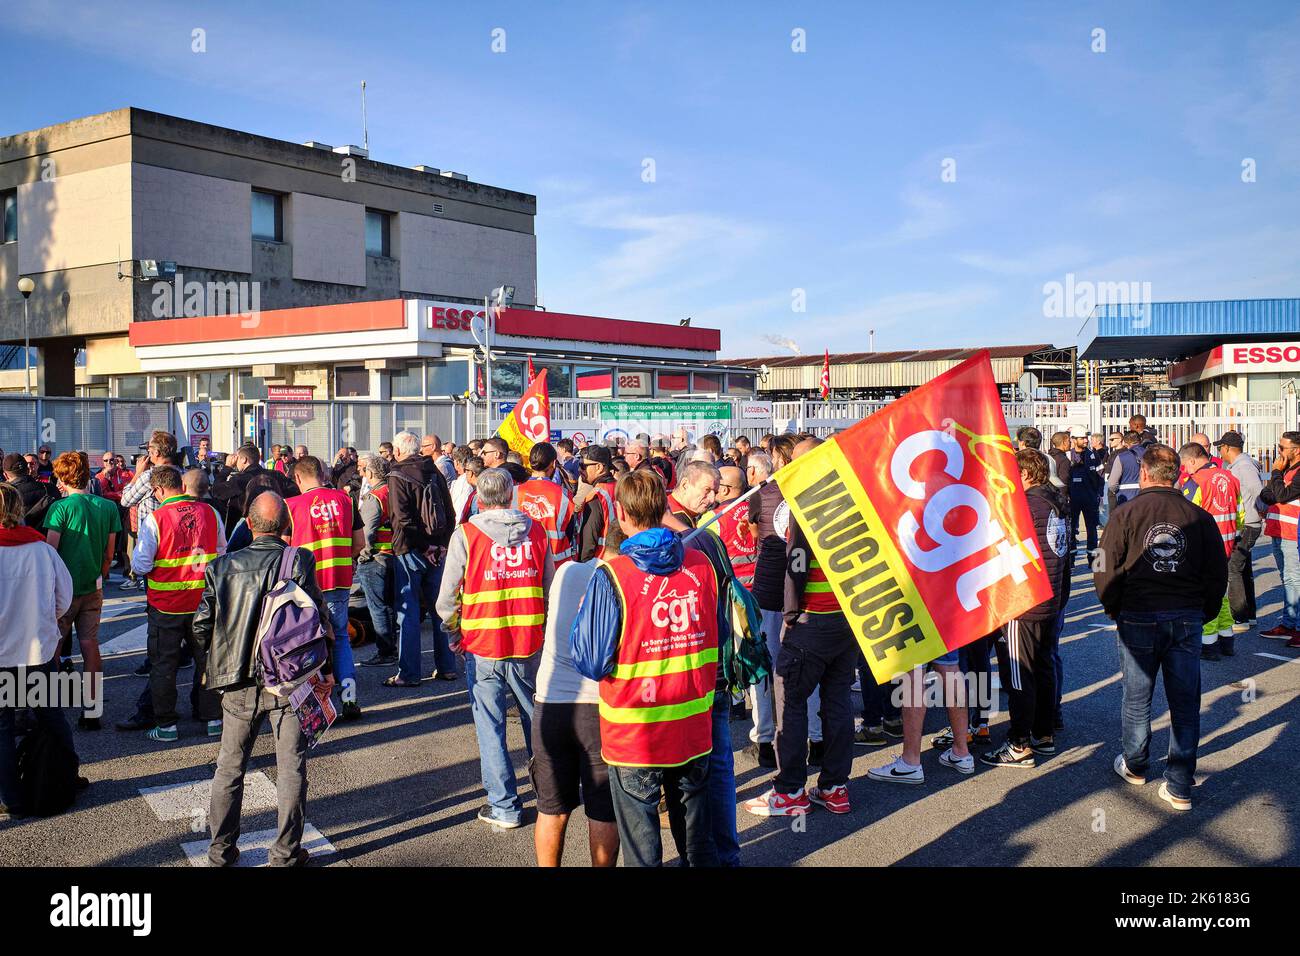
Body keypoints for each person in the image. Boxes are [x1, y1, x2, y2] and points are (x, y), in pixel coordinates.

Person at [571, 470, 721, 867]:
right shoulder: (702, 565)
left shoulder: (612, 575)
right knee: (697, 844)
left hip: (635, 731)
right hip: (692, 724)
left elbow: (590, 659)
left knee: (642, 851)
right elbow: (717, 634)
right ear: (664, 507)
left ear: (620, 513)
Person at [195, 492, 336, 866]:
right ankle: (286, 852)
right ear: (285, 525)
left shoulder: (221, 566)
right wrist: (328, 670)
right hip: (289, 678)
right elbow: (319, 619)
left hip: (238, 680)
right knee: (291, 766)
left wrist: (216, 660)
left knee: (230, 767)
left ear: (249, 522)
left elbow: (201, 627)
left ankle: (220, 851)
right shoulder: (298, 560)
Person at [1094, 444, 1228, 812]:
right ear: (1176, 476)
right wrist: (1206, 611)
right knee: (1185, 701)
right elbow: (1217, 573)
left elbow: (1103, 566)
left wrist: (1113, 606)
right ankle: (1180, 782)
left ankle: (1137, 765)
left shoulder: (1125, 514)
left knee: (1137, 698)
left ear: (1145, 474)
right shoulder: (1199, 518)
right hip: (1184, 616)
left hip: (1140, 614)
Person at [437, 467, 554, 829]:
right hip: (527, 641)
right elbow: (550, 586)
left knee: (491, 727)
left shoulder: (468, 534)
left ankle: (504, 806)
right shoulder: (536, 531)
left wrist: (454, 632)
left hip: (483, 642)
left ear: (480, 498)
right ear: (511, 494)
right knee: (536, 721)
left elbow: (447, 597)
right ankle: (551, 796)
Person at [980, 450, 1069, 768]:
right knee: (1043, 667)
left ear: (1027, 474)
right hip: (1049, 598)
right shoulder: (1056, 500)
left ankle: (1019, 743)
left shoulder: (1028, 506)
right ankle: (1043, 733)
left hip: (1025, 600)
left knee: (1019, 673)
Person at [531, 551, 618, 865]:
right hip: (598, 706)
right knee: (603, 810)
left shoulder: (566, 572)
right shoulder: (626, 579)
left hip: (550, 703)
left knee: (551, 808)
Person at [130, 465, 226, 743]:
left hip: (166, 606)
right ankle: (213, 720)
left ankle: (167, 726)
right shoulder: (211, 512)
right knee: (207, 662)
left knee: (164, 665)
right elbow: (222, 552)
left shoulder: (156, 519)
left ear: (159, 490)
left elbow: (141, 563)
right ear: (181, 486)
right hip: (204, 602)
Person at [0, 481, 78, 821]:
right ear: (19, 509)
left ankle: (12, 799)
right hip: (38, 652)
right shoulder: (42, 549)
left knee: (1, 728)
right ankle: (64, 776)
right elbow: (64, 598)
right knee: (51, 714)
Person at [744, 439, 823, 768]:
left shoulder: (765, 491)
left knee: (765, 667)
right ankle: (816, 739)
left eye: (775, 455)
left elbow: (753, 529)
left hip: (771, 589)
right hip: (805, 591)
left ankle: (765, 741)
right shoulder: (818, 490)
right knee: (809, 671)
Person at [44, 452, 121, 730]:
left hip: (62, 590)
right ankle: (92, 709)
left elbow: (50, 552)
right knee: (90, 645)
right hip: (93, 586)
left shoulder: (60, 509)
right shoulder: (107, 508)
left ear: (64, 478)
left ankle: (49, 711)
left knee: (53, 646)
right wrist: (100, 574)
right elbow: (110, 552)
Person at [285, 455, 363, 719]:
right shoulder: (346, 501)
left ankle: (317, 704)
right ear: (322, 473)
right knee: (340, 636)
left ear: (297, 478)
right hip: (339, 580)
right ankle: (350, 697)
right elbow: (360, 543)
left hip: (307, 585)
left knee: (310, 641)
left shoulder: (292, 506)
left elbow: (283, 549)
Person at [386, 431, 458, 688]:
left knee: (409, 613)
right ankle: (448, 666)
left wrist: (425, 546)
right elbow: (449, 511)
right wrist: (440, 545)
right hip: (437, 550)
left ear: (397, 450)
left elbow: (401, 519)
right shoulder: (433, 470)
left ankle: (409, 673)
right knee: (440, 610)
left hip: (410, 551)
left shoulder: (397, 475)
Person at [1178, 442, 1243, 659]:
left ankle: (1209, 645)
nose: (1185, 470)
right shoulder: (1230, 478)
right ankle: (1227, 640)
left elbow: (1186, 519)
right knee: (1221, 595)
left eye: (1185, 465)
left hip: (1203, 548)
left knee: (1205, 597)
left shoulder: (1196, 482)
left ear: (1194, 460)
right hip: (1226, 544)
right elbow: (1240, 516)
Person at [1214, 431, 1263, 634]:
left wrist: (1257, 510)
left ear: (1227, 448)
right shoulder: (1239, 465)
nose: (1219, 452)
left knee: (1233, 568)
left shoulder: (1243, 466)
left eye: (1221, 448)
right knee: (1243, 569)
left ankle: (1239, 616)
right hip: (1248, 523)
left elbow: (1257, 490)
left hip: (1247, 524)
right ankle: (1249, 615)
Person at [1258, 431, 1300, 645]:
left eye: (1282, 448)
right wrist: (1277, 481)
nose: (1279, 452)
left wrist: (1275, 472)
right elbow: (1266, 494)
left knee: (1295, 580)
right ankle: (1288, 623)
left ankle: (1297, 627)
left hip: (1292, 534)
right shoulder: (1285, 471)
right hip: (1278, 531)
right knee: (1287, 580)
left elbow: (1282, 495)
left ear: (1297, 450)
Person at [356, 455, 398, 667]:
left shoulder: (375, 497)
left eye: (363, 470)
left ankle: (386, 652)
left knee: (378, 607)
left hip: (376, 558)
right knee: (389, 606)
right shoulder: (393, 491)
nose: (362, 473)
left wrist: (362, 556)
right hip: (393, 556)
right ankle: (392, 648)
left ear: (371, 473)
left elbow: (367, 531)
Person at [518, 442, 577, 566]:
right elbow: (570, 530)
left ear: (530, 462)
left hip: (524, 563)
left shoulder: (514, 493)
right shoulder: (565, 495)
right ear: (554, 463)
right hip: (557, 562)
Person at [705, 463, 756, 588]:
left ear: (724, 489)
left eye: (716, 485)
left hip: (733, 592)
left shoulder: (712, 518)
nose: (713, 490)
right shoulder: (757, 512)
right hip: (759, 588)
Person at [576, 445, 623, 562]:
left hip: (600, 564)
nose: (579, 470)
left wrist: (583, 568)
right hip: (623, 562)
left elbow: (588, 544)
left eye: (583, 466)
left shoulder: (596, 498)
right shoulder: (622, 487)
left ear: (599, 467)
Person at [2, 452, 55, 531]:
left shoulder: (3, 495)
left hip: (16, 540)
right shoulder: (51, 489)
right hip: (46, 541)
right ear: (27, 470)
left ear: (5, 475)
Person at [667, 460, 718, 528]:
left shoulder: (667, 506)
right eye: (707, 490)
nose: (712, 499)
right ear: (685, 485)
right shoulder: (675, 519)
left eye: (715, 492)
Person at [1107, 431, 1144, 507]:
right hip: (1147, 497)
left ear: (1125, 442)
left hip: (1126, 499)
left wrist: (1116, 491)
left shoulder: (1121, 457)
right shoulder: (1152, 454)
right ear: (1140, 440)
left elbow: (1112, 484)